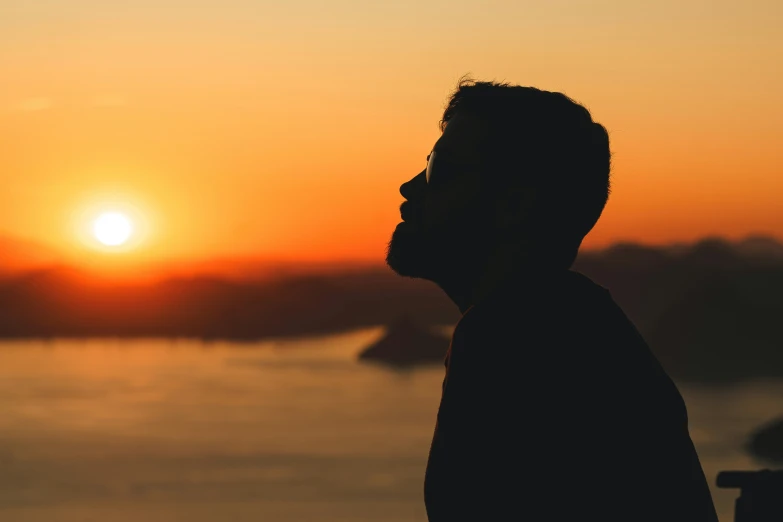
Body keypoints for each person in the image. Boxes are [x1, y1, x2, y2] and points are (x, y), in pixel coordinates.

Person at [385, 78, 719, 521]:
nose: (409, 187)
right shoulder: (573, 325)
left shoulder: (514, 335)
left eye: (438, 170)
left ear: (514, 207)